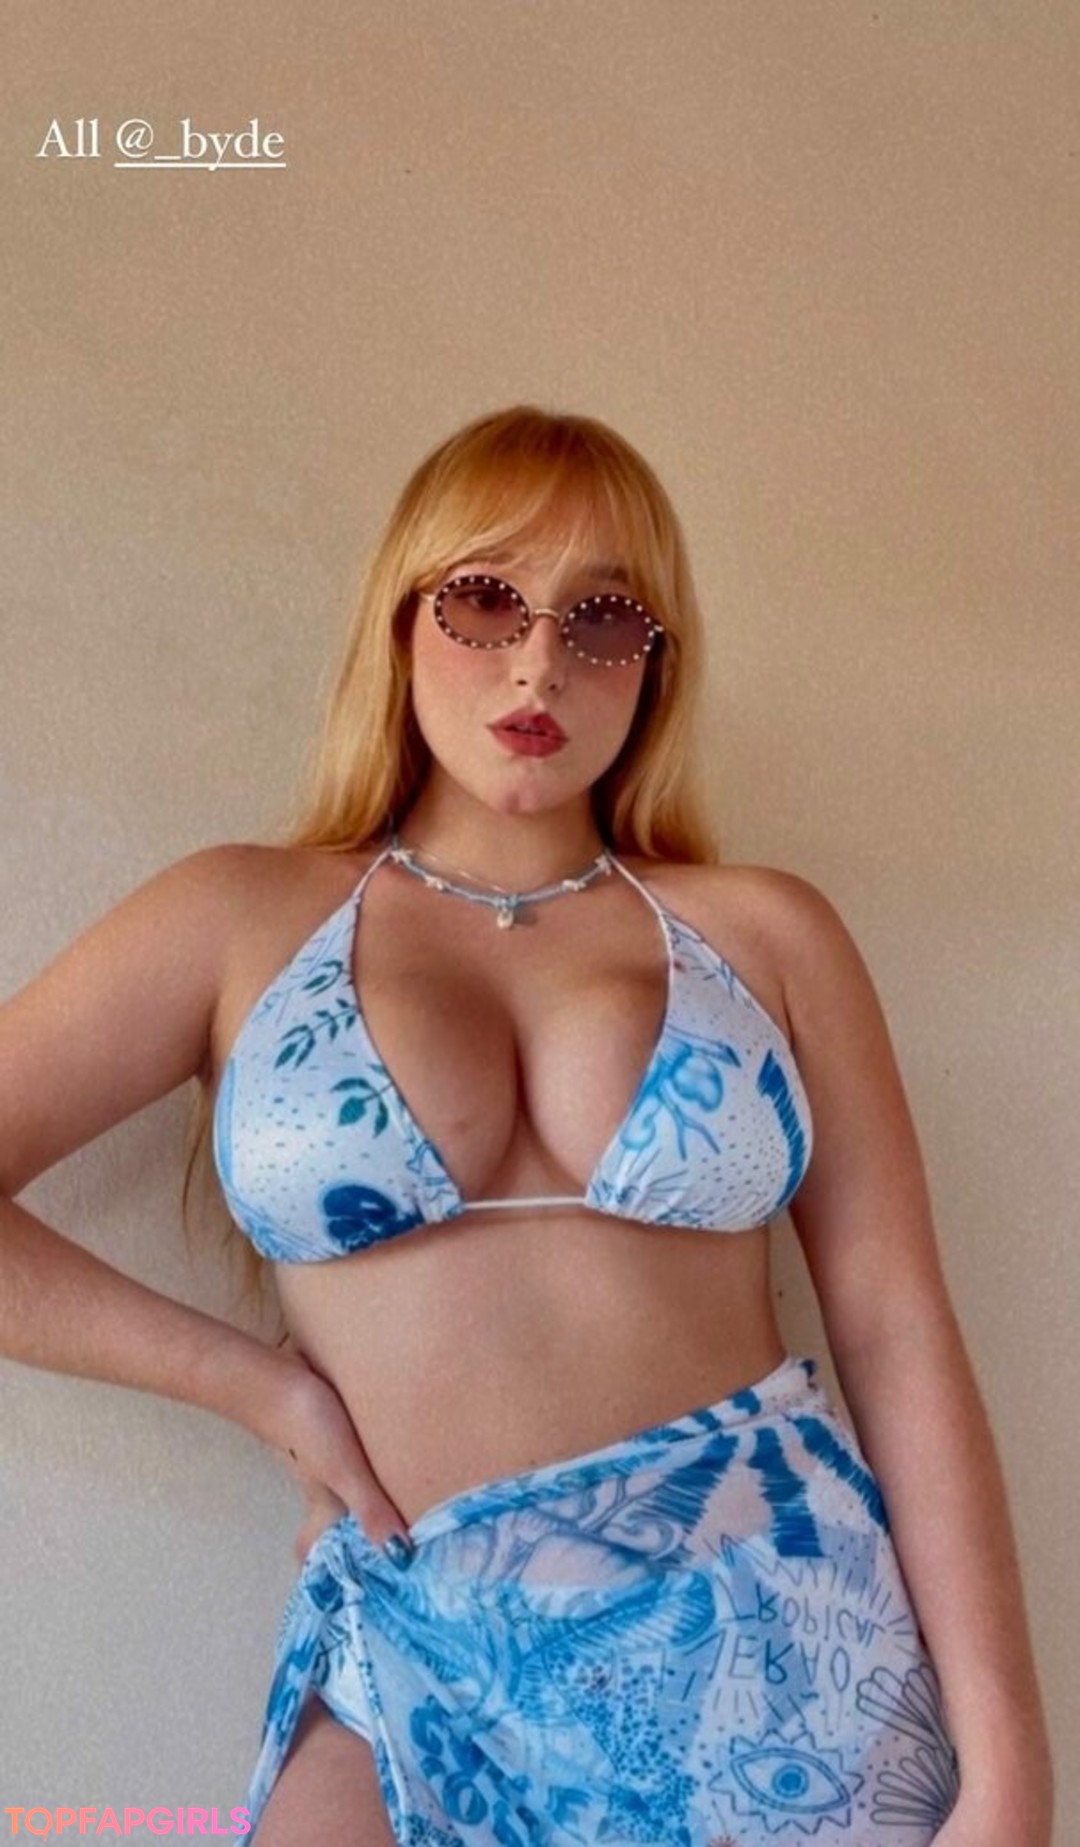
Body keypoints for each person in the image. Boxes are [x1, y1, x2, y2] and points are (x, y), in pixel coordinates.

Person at [0, 406, 1052, 1846]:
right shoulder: (238, 920)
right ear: (400, 622)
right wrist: (259, 1389)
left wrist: (1009, 1770)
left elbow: (896, 1328)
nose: (539, 662)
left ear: (655, 665)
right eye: (485, 599)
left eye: (602, 619)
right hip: (420, 1645)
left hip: (784, 1642)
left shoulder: (767, 936)